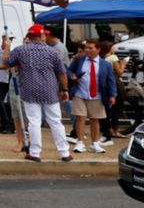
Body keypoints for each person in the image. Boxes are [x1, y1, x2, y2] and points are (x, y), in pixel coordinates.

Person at [8, 24, 72, 162]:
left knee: (34, 122)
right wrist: (65, 89)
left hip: (29, 90)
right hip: (50, 90)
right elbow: (61, 72)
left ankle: (35, 152)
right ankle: (64, 152)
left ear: (29, 36)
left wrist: (7, 45)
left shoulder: (20, 50)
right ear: (41, 36)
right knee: (56, 121)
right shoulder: (52, 52)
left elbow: (8, 62)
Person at [67, 39, 117, 154]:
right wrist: (72, 76)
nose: (87, 50)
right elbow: (68, 70)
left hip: (97, 95)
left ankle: (95, 143)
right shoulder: (79, 60)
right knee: (81, 118)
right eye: (86, 48)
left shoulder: (105, 65)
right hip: (80, 93)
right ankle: (80, 142)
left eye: (90, 48)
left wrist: (113, 95)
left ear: (98, 49)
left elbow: (111, 81)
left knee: (95, 120)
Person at [99, 39, 125, 140]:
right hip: (115, 84)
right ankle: (115, 130)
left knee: (107, 108)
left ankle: (107, 128)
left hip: (106, 85)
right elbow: (119, 73)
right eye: (113, 46)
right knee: (117, 107)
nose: (114, 48)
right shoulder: (113, 57)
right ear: (109, 48)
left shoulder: (102, 59)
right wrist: (123, 63)